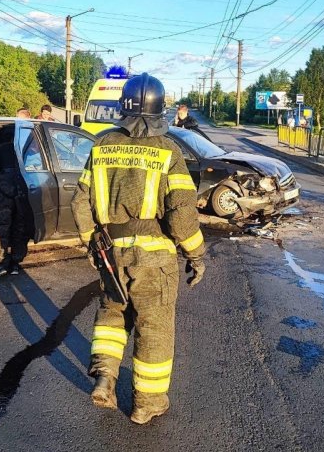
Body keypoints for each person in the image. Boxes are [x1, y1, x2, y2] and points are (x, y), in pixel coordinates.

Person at [71, 72, 206, 425]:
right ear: (160, 110)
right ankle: (147, 403)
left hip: (111, 254)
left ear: (123, 107)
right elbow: (181, 214)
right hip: (154, 260)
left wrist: (91, 243)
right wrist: (196, 254)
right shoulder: (168, 151)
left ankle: (105, 377)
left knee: (112, 314)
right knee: (154, 326)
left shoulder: (101, 145)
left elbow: (80, 201)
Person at [0, 139, 30, 279]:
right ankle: (15, 263)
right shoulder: (28, 148)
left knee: (1, 228)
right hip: (23, 190)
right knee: (20, 227)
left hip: (4, 190)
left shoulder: (2, 147)